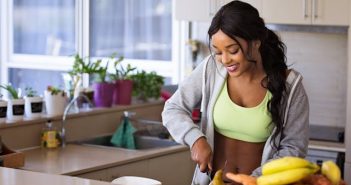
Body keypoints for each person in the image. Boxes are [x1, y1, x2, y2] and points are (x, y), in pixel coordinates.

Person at [162, 1, 309, 185]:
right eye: (217, 51)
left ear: (256, 42)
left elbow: (294, 148)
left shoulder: (290, 85)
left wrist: (252, 179)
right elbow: (173, 108)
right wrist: (196, 139)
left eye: (233, 50)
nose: (224, 60)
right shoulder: (211, 68)